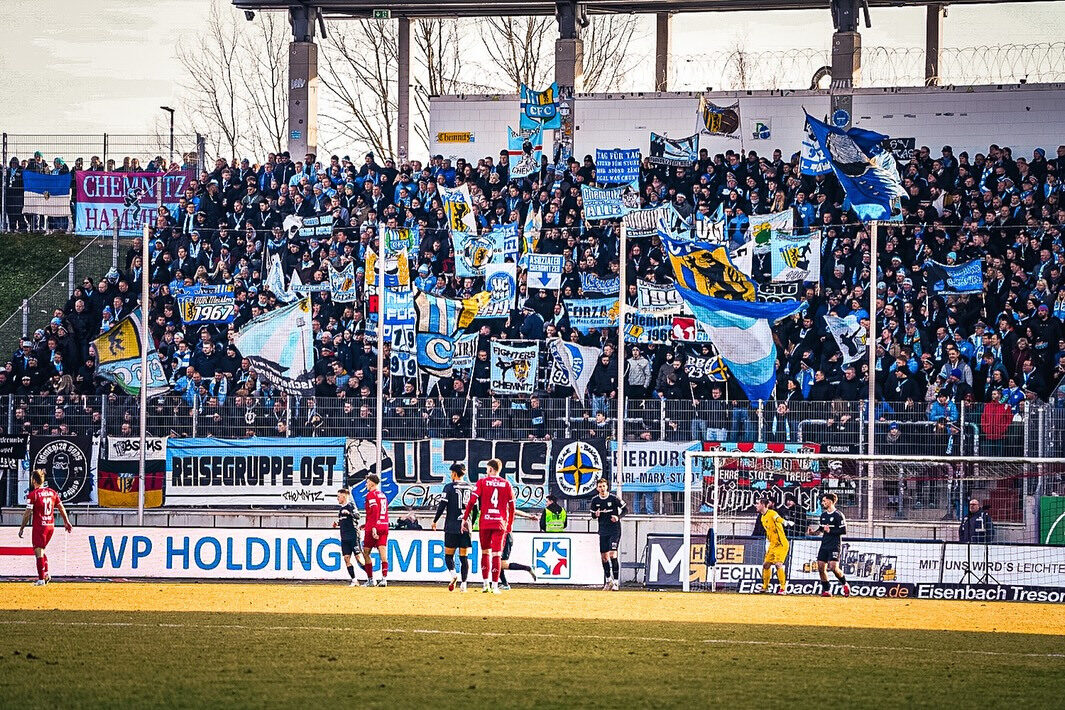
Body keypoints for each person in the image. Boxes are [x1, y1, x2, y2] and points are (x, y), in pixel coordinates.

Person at [462, 457, 514, 594]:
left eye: (487, 469)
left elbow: (471, 502)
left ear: (491, 469)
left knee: (485, 552)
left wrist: (465, 518)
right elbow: (512, 506)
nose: (486, 472)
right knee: (497, 554)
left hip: (485, 522)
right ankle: (495, 586)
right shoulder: (507, 484)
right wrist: (509, 525)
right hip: (499, 523)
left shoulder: (482, 482)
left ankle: (485, 585)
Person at [18, 469, 72, 586]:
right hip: (50, 526)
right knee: (41, 550)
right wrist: (66, 522)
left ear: (33, 480)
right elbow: (61, 507)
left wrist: (22, 527)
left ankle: (41, 579)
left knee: (38, 552)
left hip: (40, 527)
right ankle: (46, 574)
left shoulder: (33, 495)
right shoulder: (52, 492)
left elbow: (28, 513)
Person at [432, 463, 474, 592]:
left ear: (454, 474)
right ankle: (464, 584)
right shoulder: (471, 488)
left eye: (451, 473)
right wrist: (471, 522)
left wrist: (435, 521)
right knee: (464, 557)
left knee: (449, 556)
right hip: (466, 526)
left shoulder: (449, 487)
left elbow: (442, 506)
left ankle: (453, 574)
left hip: (451, 526)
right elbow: (476, 508)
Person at [807, 493, 851, 597]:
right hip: (824, 544)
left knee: (833, 567)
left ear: (830, 502)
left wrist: (830, 530)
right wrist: (813, 533)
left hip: (834, 545)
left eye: (824, 501)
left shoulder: (838, 515)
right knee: (821, 567)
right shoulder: (823, 515)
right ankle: (827, 590)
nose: (823, 503)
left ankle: (845, 584)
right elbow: (821, 529)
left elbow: (843, 530)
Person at [589, 477, 626, 591]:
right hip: (603, 531)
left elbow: (625, 509)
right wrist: (596, 514)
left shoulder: (614, 498)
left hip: (614, 530)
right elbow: (593, 515)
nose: (602, 488)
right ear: (597, 488)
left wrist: (618, 517)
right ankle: (608, 580)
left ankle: (616, 582)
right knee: (604, 557)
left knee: (612, 554)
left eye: (604, 486)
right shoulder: (595, 500)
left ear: (607, 487)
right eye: (600, 487)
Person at [360, 473, 390, 587]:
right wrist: (366, 524)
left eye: (367, 482)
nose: (366, 484)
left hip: (374, 527)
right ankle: (384, 579)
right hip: (384, 525)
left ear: (372, 483)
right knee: (383, 552)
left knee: (366, 552)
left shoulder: (371, 495)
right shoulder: (382, 495)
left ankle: (371, 579)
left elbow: (375, 510)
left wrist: (373, 527)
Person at [498, 509, 539, 591]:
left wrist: (529, 516)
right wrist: (529, 516)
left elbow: (514, 511)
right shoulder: (503, 506)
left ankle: (528, 568)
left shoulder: (503, 506)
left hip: (505, 536)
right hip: (504, 536)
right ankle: (505, 584)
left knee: (501, 563)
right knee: (497, 561)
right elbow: (515, 511)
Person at [755, 497, 788, 594]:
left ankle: (783, 588)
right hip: (772, 545)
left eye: (757, 503)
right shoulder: (762, 517)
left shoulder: (772, 513)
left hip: (781, 544)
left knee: (778, 564)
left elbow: (778, 519)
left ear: (763, 505)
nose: (756, 505)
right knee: (766, 565)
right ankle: (765, 587)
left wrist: (784, 522)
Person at [332, 487, 363, 587]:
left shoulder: (351, 505)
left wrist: (350, 513)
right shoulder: (341, 510)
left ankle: (371, 577)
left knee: (359, 558)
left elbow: (358, 516)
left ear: (344, 496)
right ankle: (354, 580)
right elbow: (344, 521)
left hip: (353, 536)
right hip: (344, 537)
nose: (337, 498)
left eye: (338, 496)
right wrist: (337, 523)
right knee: (346, 558)